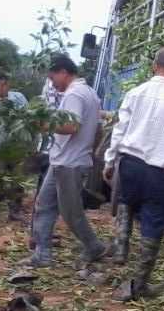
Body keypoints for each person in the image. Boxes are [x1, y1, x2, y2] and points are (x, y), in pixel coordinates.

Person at [104, 47, 164, 301]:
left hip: (130, 164)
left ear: (154, 65)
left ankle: (120, 251)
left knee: (126, 201)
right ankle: (140, 283)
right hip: (160, 171)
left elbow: (119, 129)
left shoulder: (135, 93)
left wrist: (110, 161)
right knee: (154, 219)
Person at [20, 55, 107, 267]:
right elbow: (97, 129)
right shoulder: (90, 93)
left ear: (64, 72)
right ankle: (43, 254)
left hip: (69, 162)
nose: (52, 83)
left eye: (53, 78)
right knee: (44, 204)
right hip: (63, 159)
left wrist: (41, 124)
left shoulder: (75, 94)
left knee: (70, 213)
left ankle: (94, 246)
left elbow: (70, 126)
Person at [0, 70, 29, 221]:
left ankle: (15, 211)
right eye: (2, 85)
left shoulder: (18, 98)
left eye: (6, 84)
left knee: (17, 179)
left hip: (17, 147)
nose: (6, 87)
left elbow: (29, 117)